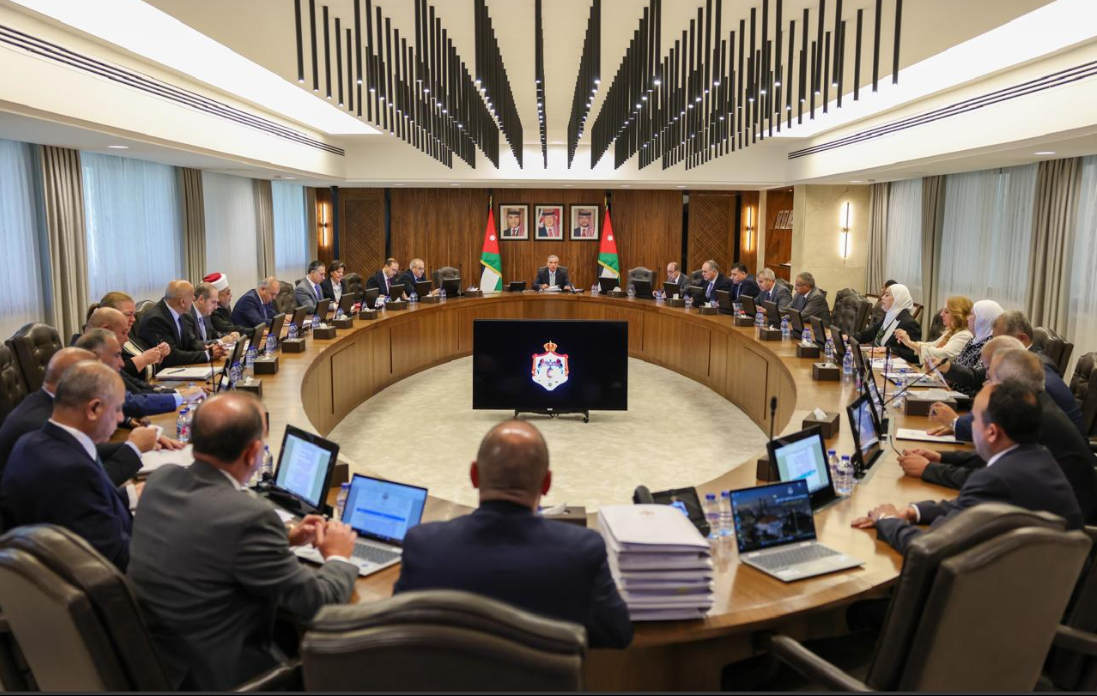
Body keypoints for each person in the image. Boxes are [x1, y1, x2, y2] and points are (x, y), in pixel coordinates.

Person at [127, 392, 359, 691]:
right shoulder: (249, 518)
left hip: (163, 659)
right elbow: (318, 603)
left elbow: (208, 535)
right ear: (253, 453)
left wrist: (285, 537)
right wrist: (338, 556)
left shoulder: (162, 480)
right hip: (221, 675)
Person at [394, 420, 633, 649]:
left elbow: (397, 624)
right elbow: (618, 633)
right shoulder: (582, 550)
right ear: (547, 483)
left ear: (474, 475)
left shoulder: (423, 545)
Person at [853, 380, 1083, 555]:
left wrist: (887, 519)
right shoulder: (1039, 458)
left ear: (991, 433)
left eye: (974, 419)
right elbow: (969, 508)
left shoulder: (996, 479)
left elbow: (926, 548)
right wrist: (913, 511)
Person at [899, 347, 1097, 523]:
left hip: (1062, 525)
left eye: (991, 379)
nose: (986, 384)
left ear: (1009, 384)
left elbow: (992, 479)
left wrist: (930, 470)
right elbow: (997, 461)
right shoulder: (1034, 403)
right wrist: (942, 457)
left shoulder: (1032, 416)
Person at [1, 361, 134, 569]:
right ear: (94, 409)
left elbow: (82, 507)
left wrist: (132, 495)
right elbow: (116, 556)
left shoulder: (31, 441)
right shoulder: (72, 472)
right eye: (117, 409)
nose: (121, 418)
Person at [0, 348, 160, 484]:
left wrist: (139, 442)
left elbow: (84, 449)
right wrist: (133, 449)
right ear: (72, 381)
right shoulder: (38, 424)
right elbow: (92, 482)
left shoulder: (46, 402)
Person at [929, 327, 1086, 439]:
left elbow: (1004, 423)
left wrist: (957, 423)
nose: (987, 378)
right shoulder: (1024, 369)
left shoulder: (1031, 383)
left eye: (989, 370)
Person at [76, 327, 194, 420]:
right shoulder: (87, 379)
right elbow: (130, 403)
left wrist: (127, 421)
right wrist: (182, 397)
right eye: (117, 355)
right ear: (95, 356)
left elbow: (137, 386)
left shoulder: (103, 369)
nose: (122, 363)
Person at [138, 281, 228, 368]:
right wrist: (207, 355)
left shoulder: (181, 313)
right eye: (192, 296)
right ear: (183, 302)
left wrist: (206, 348)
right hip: (164, 372)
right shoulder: (157, 319)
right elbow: (170, 356)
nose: (194, 298)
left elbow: (190, 342)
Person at [91, 291, 170, 382]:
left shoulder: (132, 333)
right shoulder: (100, 346)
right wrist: (143, 359)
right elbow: (119, 375)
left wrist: (159, 353)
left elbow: (152, 368)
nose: (133, 319)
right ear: (111, 314)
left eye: (134, 314)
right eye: (128, 314)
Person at [894, 296, 973, 366]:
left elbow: (941, 354)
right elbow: (932, 345)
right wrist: (909, 342)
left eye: (946, 311)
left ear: (958, 316)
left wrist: (910, 343)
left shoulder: (965, 335)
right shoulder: (950, 331)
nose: (941, 314)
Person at [947, 299, 1004, 396]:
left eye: (971, 314)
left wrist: (948, 369)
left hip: (968, 399)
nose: (967, 319)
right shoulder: (974, 340)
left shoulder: (991, 345)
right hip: (953, 392)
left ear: (983, 319)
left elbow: (977, 377)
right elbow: (957, 363)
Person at [854, 283, 921, 362]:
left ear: (898, 299)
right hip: (877, 359)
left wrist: (890, 350)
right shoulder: (889, 315)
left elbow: (916, 355)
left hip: (892, 365)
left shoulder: (909, 323)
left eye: (887, 295)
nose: (882, 297)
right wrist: (848, 338)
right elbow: (869, 333)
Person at [205, 273, 255, 337]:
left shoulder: (226, 307)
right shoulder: (212, 313)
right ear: (217, 297)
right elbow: (231, 329)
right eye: (227, 293)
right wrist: (255, 331)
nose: (231, 295)